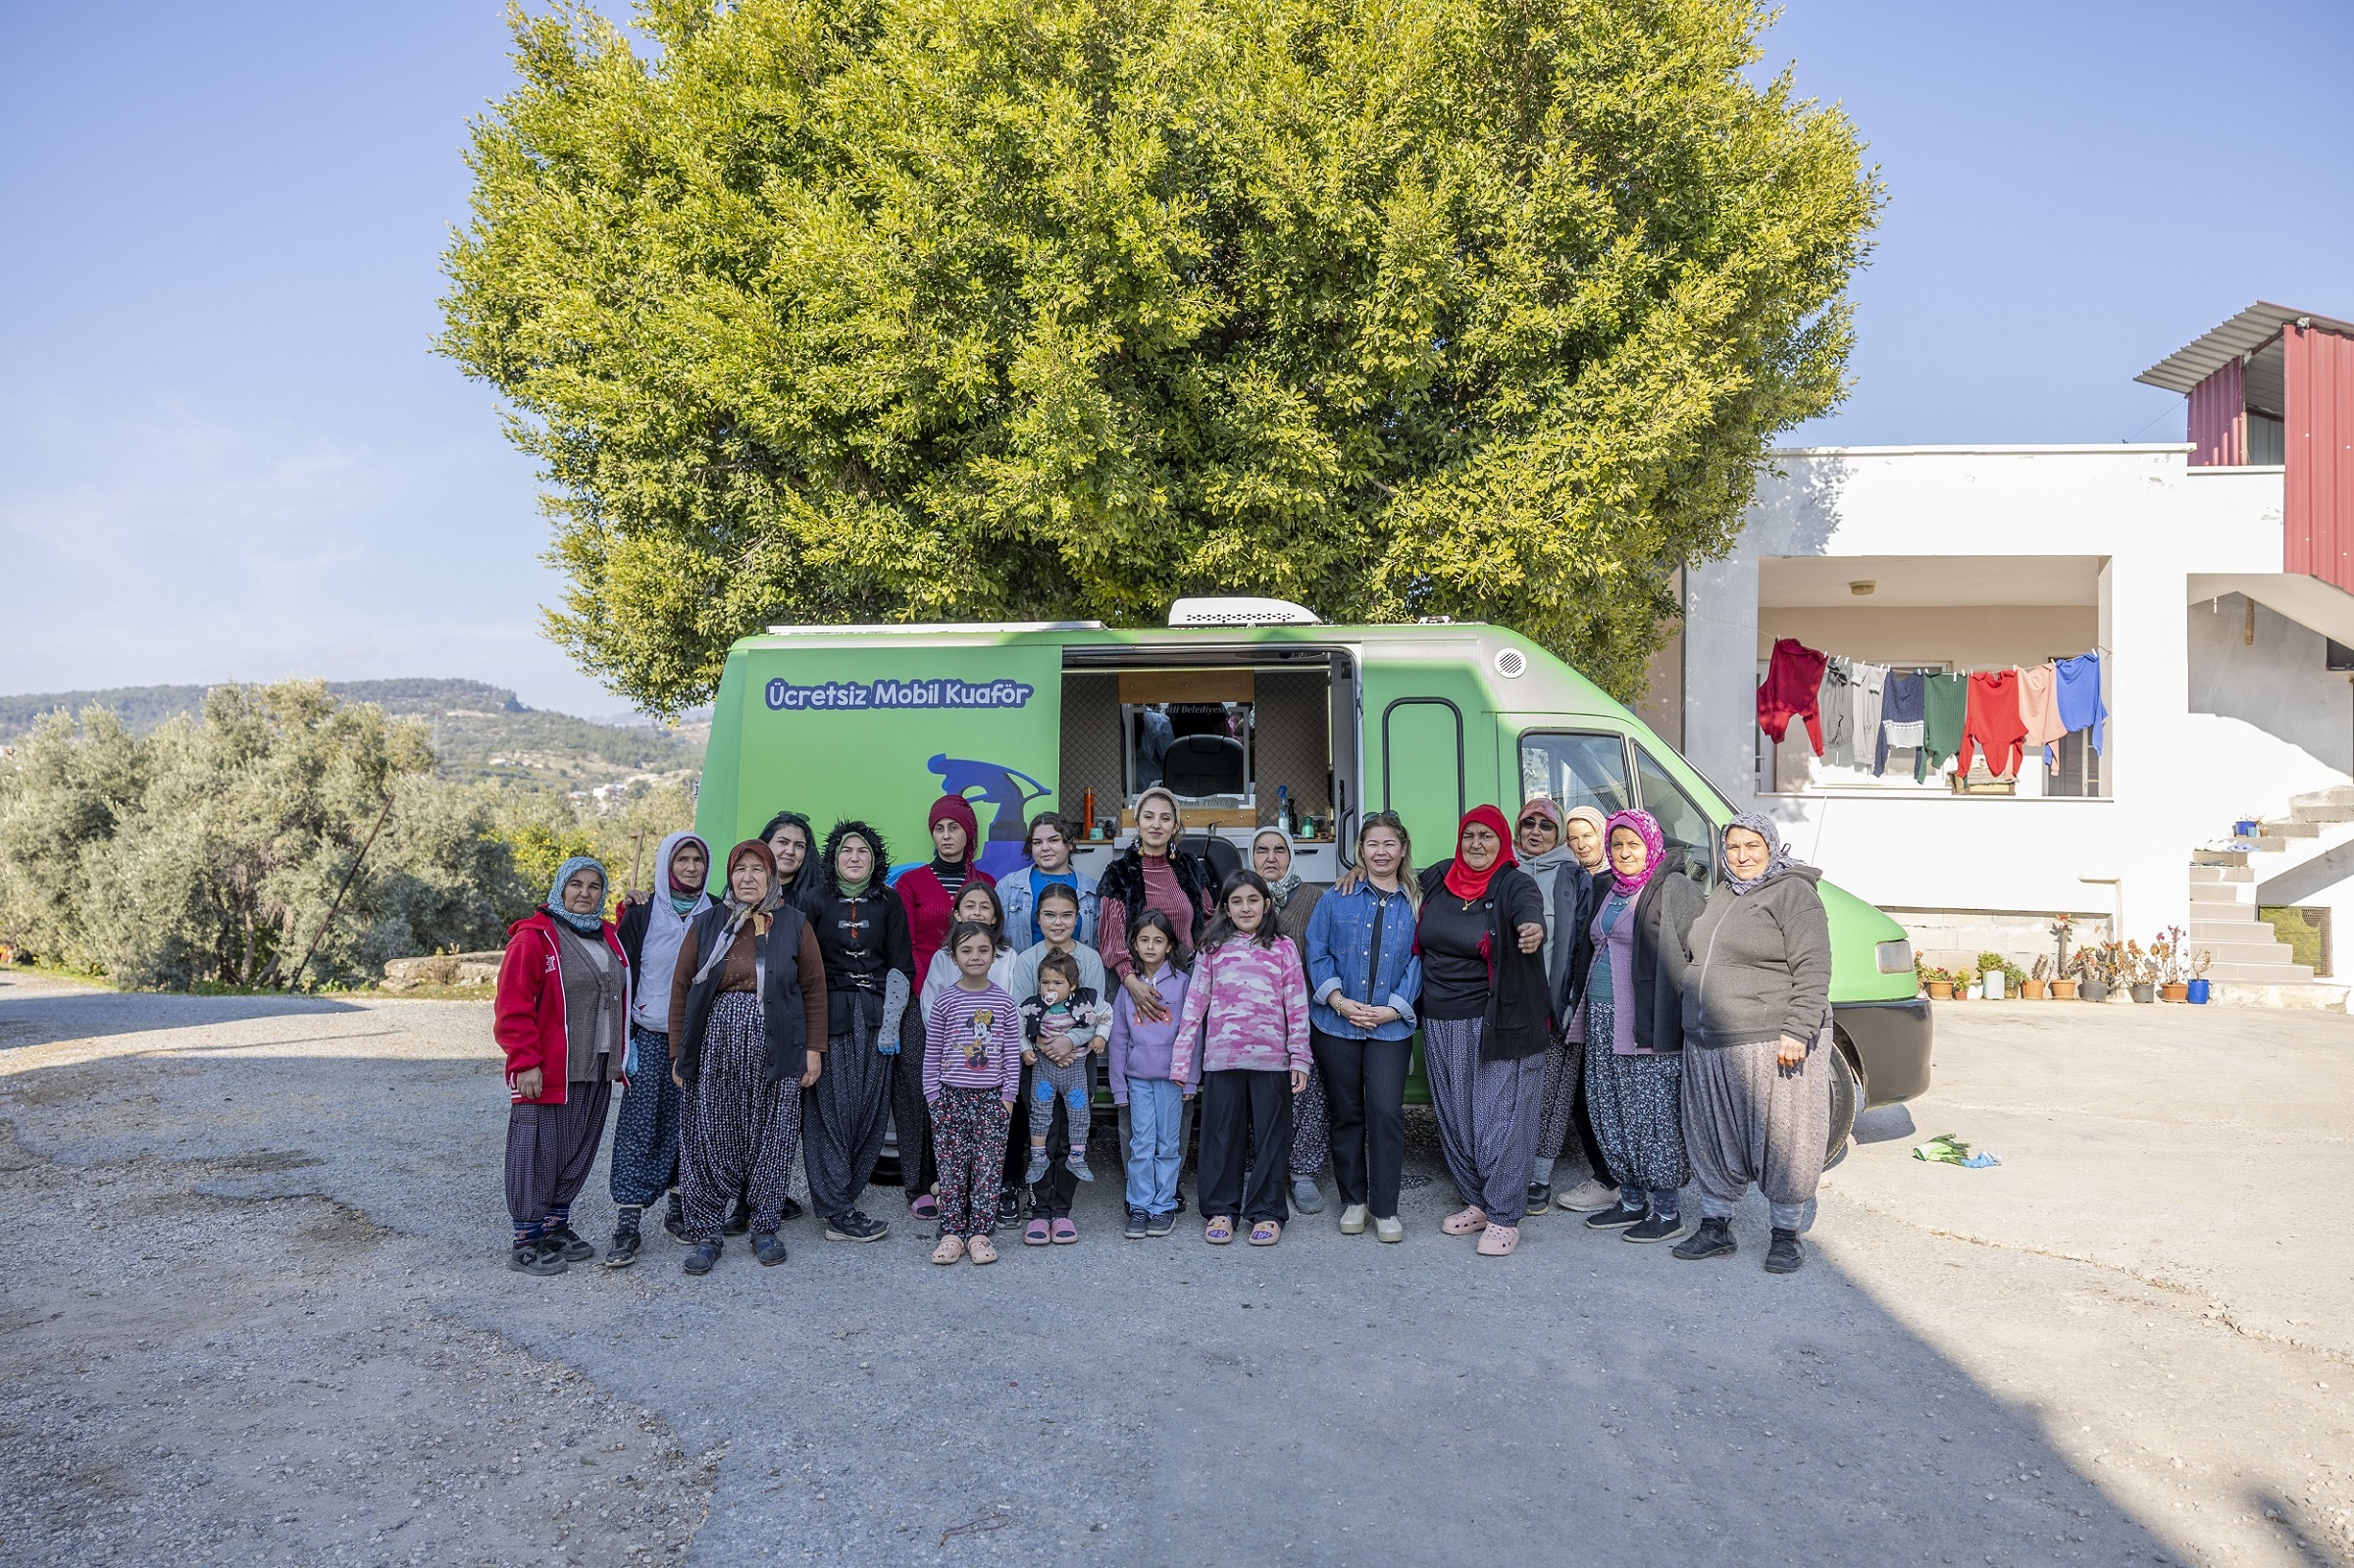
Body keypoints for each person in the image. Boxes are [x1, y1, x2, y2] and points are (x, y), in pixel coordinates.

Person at [1674, 814, 1835, 1275]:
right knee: (1713, 1133)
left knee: (1784, 1138)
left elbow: (1814, 967)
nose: (1741, 856)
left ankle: (1785, 1235)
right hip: (1709, 1036)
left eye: (1752, 846)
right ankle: (1716, 1226)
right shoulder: (1724, 893)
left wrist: (1799, 1029)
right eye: (1733, 847)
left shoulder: (1793, 893)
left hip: (1771, 1038)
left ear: (1771, 847)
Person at [668, 841, 827, 1275]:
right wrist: (679, 1053)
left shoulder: (794, 924)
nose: (748, 877)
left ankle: (765, 1227)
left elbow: (814, 988)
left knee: (773, 1137)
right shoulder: (707, 923)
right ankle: (706, 1232)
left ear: (772, 876)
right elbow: (681, 989)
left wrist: (813, 1050)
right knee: (708, 1138)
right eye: (741, 869)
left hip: (779, 1048)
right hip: (714, 1048)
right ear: (730, 876)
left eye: (758, 869)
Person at [1415, 807, 1550, 1256]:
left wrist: (1531, 929)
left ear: (1502, 841)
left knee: (1500, 1120)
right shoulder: (1439, 878)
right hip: (1440, 1019)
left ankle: (1505, 1215)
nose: (1476, 844)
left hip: (1495, 1021)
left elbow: (1529, 911)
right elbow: (1394, 876)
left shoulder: (1513, 883)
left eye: (1487, 836)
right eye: (1469, 835)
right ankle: (1478, 1201)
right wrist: (1359, 869)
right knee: (1456, 1118)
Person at [1567, 810, 1703, 1245]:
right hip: (1601, 1019)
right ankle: (1630, 1201)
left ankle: (1667, 1211)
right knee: (1609, 1107)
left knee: (1653, 1115)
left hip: (1648, 1021)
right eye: (1617, 844)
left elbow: (1699, 955)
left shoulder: (1674, 888)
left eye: (1633, 844)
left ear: (1651, 845)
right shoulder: (1608, 888)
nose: (1624, 853)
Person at [496, 856, 630, 1276]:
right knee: (536, 1150)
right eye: (576, 884)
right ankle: (525, 1240)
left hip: (597, 1063)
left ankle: (554, 1227)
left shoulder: (607, 935)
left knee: (576, 1149)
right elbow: (512, 1006)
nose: (585, 893)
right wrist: (525, 1062)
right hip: (550, 1068)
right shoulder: (534, 939)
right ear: (560, 887)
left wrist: (630, 909)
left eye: (594, 885)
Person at [1095, 785, 1216, 1221]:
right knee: (1138, 1093)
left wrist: (1201, 975)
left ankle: (1169, 1185)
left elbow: (1208, 921)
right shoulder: (1119, 873)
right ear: (1136, 821)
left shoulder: (1189, 868)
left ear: (1176, 824)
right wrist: (1131, 981)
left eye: (1166, 817)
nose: (1157, 824)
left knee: (1176, 1088)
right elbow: (1110, 934)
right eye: (1149, 816)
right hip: (1135, 985)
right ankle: (1139, 1190)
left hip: (1183, 986)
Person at [1303, 812, 1422, 1242]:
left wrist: (1394, 1009)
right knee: (1347, 1113)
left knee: (1386, 1112)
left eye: (1390, 843)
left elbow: (1420, 959)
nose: (1381, 852)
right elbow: (1316, 949)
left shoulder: (1417, 902)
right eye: (1372, 844)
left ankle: (1385, 1208)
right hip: (1337, 1024)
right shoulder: (1337, 897)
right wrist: (1337, 1000)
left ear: (1403, 849)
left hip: (1390, 1027)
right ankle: (1353, 1200)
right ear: (1360, 851)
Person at [1178, 870, 1312, 1247]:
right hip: (1223, 1059)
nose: (1246, 908)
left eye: (1253, 900)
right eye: (1236, 901)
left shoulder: (1283, 947)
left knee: (1271, 1137)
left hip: (1272, 1061)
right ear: (1225, 907)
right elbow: (1194, 1006)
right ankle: (1221, 1209)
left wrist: (1300, 1058)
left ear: (1267, 904)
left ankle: (1267, 1211)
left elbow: (1297, 1006)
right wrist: (1182, 1062)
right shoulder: (1212, 948)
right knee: (1221, 1135)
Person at [801, 819, 915, 1245]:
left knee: (870, 1111)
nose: (854, 857)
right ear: (833, 857)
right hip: (829, 1016)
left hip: (876, 1018)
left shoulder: (889, 901)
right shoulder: (814, 900)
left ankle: (844, 1198)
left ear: (874, 858)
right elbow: (802, 969)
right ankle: (836, 1210)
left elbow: (901, 965)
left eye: (863, 850)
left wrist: (891, 1023)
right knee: (831, 1112)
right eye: (846, 850)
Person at [604, 832, 710, 1266]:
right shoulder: (642, 914)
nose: (691, 867)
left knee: (690, 1124)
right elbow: (622, 973)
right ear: (667, 864)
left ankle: (678, 1209)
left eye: (698, 860)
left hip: (698, 1038)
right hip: (649, 1035)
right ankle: (627, 1222)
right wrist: (624, 1039)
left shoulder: (716, 912)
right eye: (682, 859)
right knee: (640, 1125)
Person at [924, 920, 1022, 1265]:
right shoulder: (944, 1002)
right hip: (949, 1098)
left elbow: (1011, 1054)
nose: (975, 956)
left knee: (988, 1169)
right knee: (950, 1169)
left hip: (992, 1099)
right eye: (966, 950)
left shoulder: (1004, 1003)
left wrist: (1008, 1098)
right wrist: (933, 1097)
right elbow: (932, 1053)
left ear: (994, 955)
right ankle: (952, 1232)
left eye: (983, 949)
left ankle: (980, 1233)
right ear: (953, 957)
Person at [1545, 806, 1622, 1214]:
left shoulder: (1617, 883)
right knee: (1580, 1094)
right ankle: (1611, 1176)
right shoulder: (1569, 877)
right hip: (1572, 1003)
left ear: (1602, 835)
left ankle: (1612, 1178)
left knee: (1600, 1094)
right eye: (1571, 837)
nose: (1580, 844)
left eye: (1587, 835)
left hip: (1605, 1004)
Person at [1253, 828, 1330, 1216]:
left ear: (1291, 855)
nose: (1271, 857)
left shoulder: (1316, 898)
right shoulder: (1240, 896)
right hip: (1253, 1022)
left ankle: (1303, 1173)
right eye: (1262, 850)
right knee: (1255, 1096)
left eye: (1279, 850)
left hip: (1304, 1015)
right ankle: (1257, 1170)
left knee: (1306, 1093)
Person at [1509, 799, 1576, 1215]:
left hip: (1553, 1005)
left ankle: (1539, 1177)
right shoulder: (1504, 870)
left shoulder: (1573, 875)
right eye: (1528, 824)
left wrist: (1569, 1004)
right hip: (1509, 1006)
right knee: (1508, 1093)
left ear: (1559, 834)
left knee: (1550, 1095)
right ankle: (1506, 1170)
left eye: (1545, 826)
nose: (1535, 832)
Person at [1107, 910, 1191, 1239]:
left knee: (1168, 1144)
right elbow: (1118, 1040)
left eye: (1158, 940)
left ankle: (1163, 1205)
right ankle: (1139, 1205)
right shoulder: (1128, 988)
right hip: (1138, 1080)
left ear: (1169, 945)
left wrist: (1191, 1078)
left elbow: (1192, 1034)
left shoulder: (1182, 984)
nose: (1151, 947)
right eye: (1144, 940)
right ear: (1134, 944)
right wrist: (1119, 1088)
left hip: (1173, 1079)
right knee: (1142, 1143)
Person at [896, 794, 996, 968]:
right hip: (924, 979)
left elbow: (995, 939)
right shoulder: (909, 882)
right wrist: (923, 982)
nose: (946, 836)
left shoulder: (986, 883)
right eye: (939, 829)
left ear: (967, 832)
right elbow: (905, 943)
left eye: (954, 828)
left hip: (975, 980)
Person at [998, 810, 1100, 949]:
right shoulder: (1009, 886)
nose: (1045, 848)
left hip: (1077, 964)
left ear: (1069, 844)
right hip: (1025, 963)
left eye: (1053, 840)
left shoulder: (1092, 891)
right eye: (1037, 842)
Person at [760, 809, 826, 917]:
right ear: (765, 845)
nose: (790, 851)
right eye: (783, 842)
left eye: (799, 846)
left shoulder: (819, 898)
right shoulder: (744, 887)